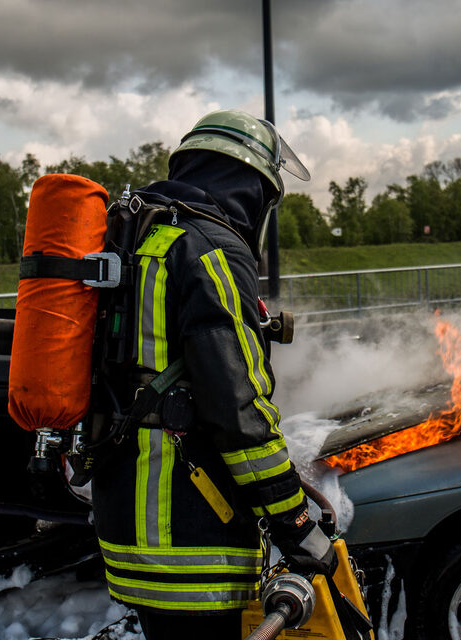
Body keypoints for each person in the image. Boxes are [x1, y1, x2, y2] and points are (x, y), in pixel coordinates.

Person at [90, 110, 335, 639]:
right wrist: (294, 522)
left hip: (128, 531)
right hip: (193, 534)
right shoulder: (214, 249)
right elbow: (239, 411)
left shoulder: (139, 240)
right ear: (250, 186)